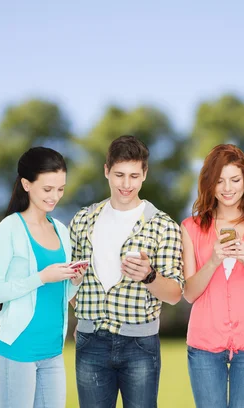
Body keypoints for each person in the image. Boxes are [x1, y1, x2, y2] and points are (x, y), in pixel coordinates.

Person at [70, 135, 184, 408]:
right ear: (106, 170)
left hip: (140, 345)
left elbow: (175, 294)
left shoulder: (163, 226)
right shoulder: (83, 220)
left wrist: (149, 276)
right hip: (91, 342)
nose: (126, 184)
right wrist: (85, 314)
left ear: (145, 174)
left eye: (134, 176)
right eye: (119, 174)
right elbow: (72, 283)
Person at [181, 144, 244, 408]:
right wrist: (213, 260)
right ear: (209, 184)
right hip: (204, 344)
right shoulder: (191, 228)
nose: (228, 188)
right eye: (219, 180)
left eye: (235, 180)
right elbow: (189, 293)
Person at [0, 147, 84, 408]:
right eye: (47, 189)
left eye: (60, 189)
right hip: (18, 351)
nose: (55, 197)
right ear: (26, 184)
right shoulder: (10, 228)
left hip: (53, 352)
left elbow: (58, 295)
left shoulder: (61, 231)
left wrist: (74, 281)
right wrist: (40, 277)